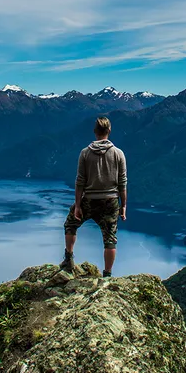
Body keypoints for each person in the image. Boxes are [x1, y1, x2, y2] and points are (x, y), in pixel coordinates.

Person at [61, 116, 127, 277]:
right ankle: (107, 275)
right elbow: (122, 183)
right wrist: (123, 205)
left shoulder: (85, 153)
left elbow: (80, 181)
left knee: (70, 224)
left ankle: (68, 259)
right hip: (111, 201)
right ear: (109, 131)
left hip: (89, 200)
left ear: (95, 131)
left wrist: (77, 205)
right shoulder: (118, 154)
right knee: (110, 238)